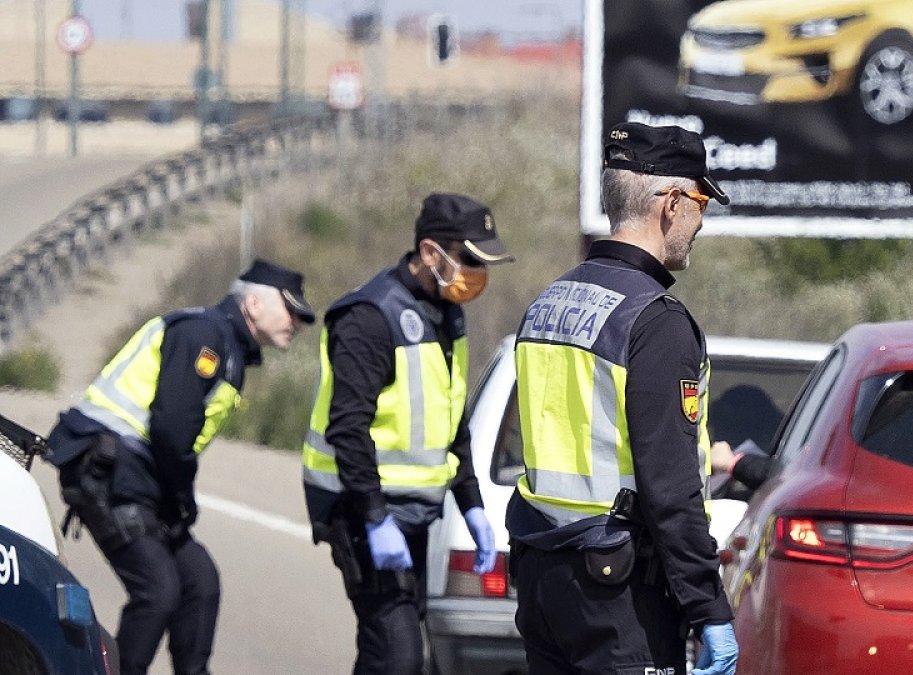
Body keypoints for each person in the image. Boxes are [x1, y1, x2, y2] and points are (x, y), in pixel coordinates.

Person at [505, 121, 738, 675]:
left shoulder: (548, 303)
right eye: (702, 201)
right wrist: (707, 605)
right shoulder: (655, 320)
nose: (701, 220)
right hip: (618, 593)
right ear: (672, 203)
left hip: (544, 575)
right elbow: (671, 485)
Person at [45, 258, 315, 675]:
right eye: (290, 308)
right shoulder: (205, 336)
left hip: (139, 477)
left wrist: (175, 496)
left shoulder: (226, 346)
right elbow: (172, 429)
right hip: (106, 467)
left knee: (199, 581)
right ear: (254, 304)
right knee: (158, 590)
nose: (297, 321)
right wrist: (182, 495)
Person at [302, 192, 511, 675]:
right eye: (469, 260)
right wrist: (374, 519)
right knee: (397, 655)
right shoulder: (368, 317)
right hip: (360, 507)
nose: (477, 273)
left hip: (413, 513)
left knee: (389, 651)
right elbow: (348, 429)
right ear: (430, 252)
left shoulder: (447, 314)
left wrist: (474, 506)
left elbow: (450, 422)